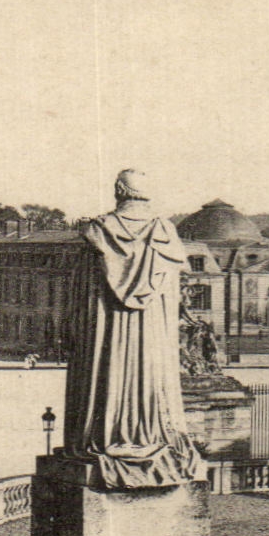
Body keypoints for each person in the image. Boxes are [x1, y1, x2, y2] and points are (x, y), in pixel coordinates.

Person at [62, 169, 202, 489]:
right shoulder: (165, 233)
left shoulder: (97, 232)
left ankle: (106, 432)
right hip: (153, 339)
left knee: (104, 374)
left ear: (118, 191)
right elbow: (176, 295)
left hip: (106, 336)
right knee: (153, 375)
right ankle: (149, 432)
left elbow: (82, 299)